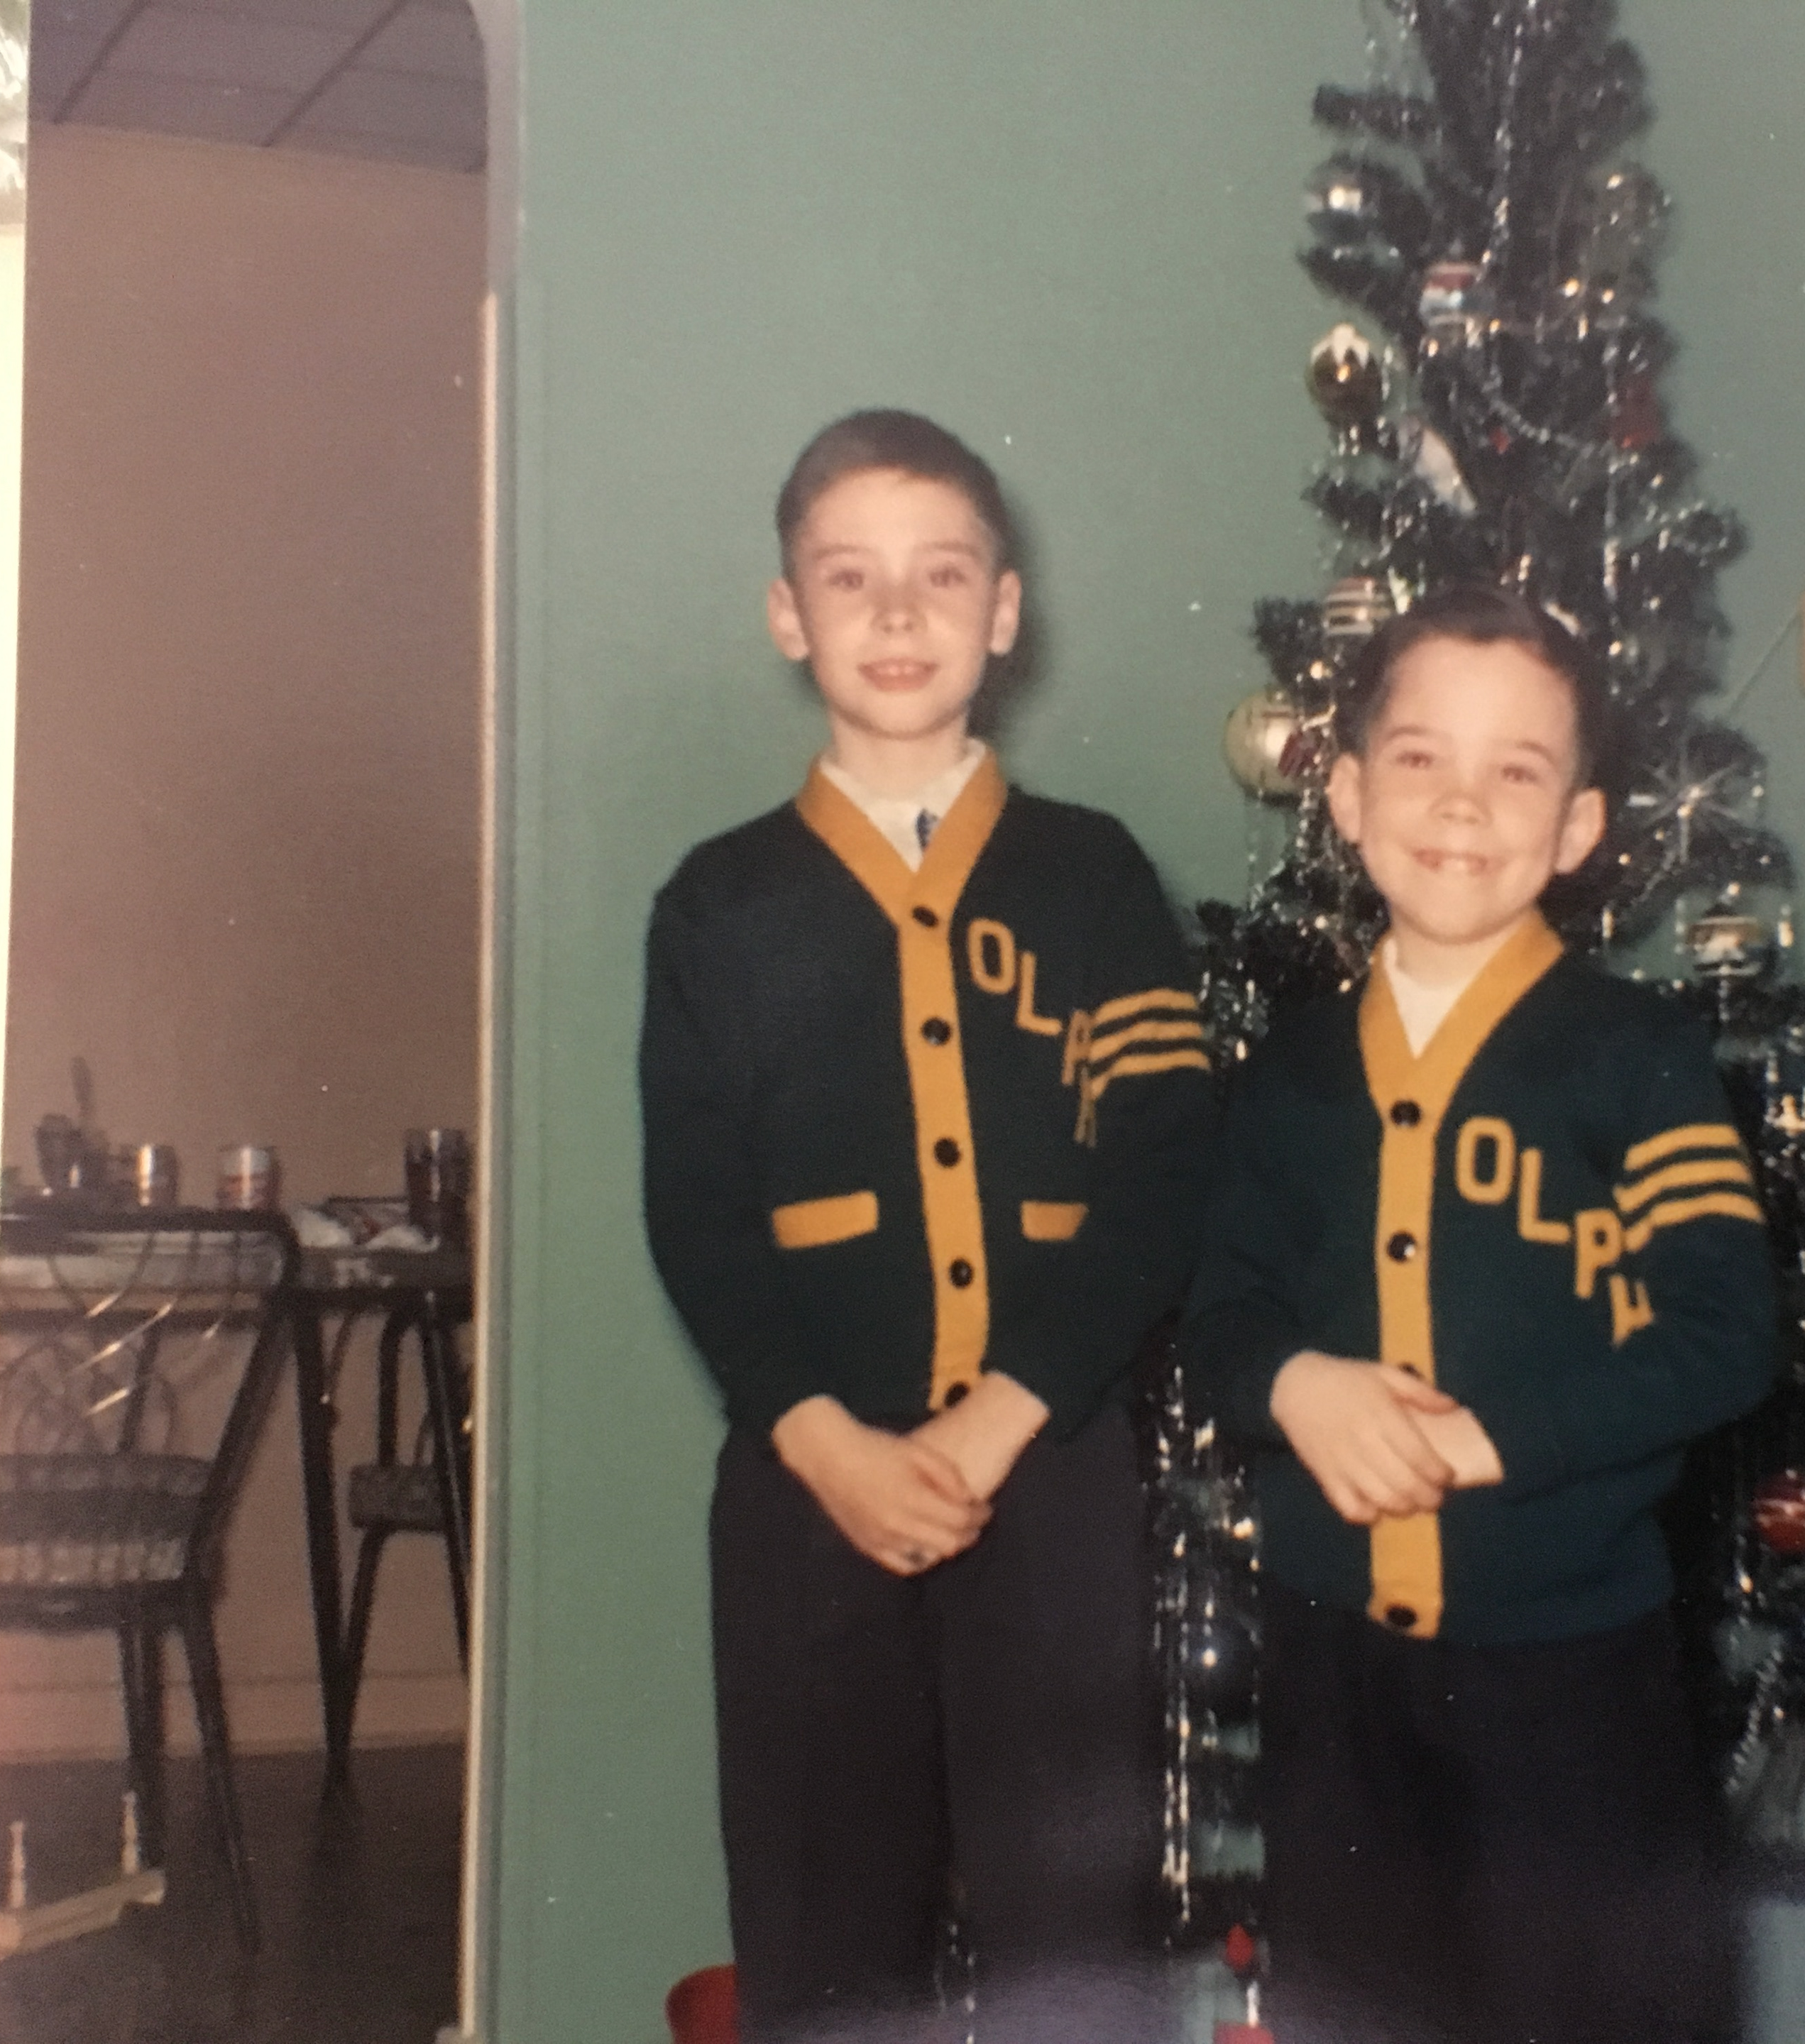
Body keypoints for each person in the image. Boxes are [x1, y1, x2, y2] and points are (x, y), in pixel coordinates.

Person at [640, 410, 1214, 2043]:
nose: (897, 614)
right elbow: (698, 1213)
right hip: (805, 1494)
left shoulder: (1093, 878)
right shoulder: (719, 905)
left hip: (1055, 1483)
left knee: (1070, 1946)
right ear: (789, 614)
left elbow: (1164, 1171)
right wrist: (826, 1442)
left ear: (1003, 611)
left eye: (941, 575)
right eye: (850, 577)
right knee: (825, 1946)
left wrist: (1001, 1418)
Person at [1181, 584, 1777, 2044]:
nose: (1462, 806)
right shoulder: (1291, 1073)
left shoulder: (1635, 1057)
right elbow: (1216, 1313)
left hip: (1569, 1679)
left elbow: (1723, 1335)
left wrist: (1484, 1442)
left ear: (1579, 827)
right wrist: (1299, 1385)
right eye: (1420, 758)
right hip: (1333, 1671)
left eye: (1518, 771)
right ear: (1345, 795)